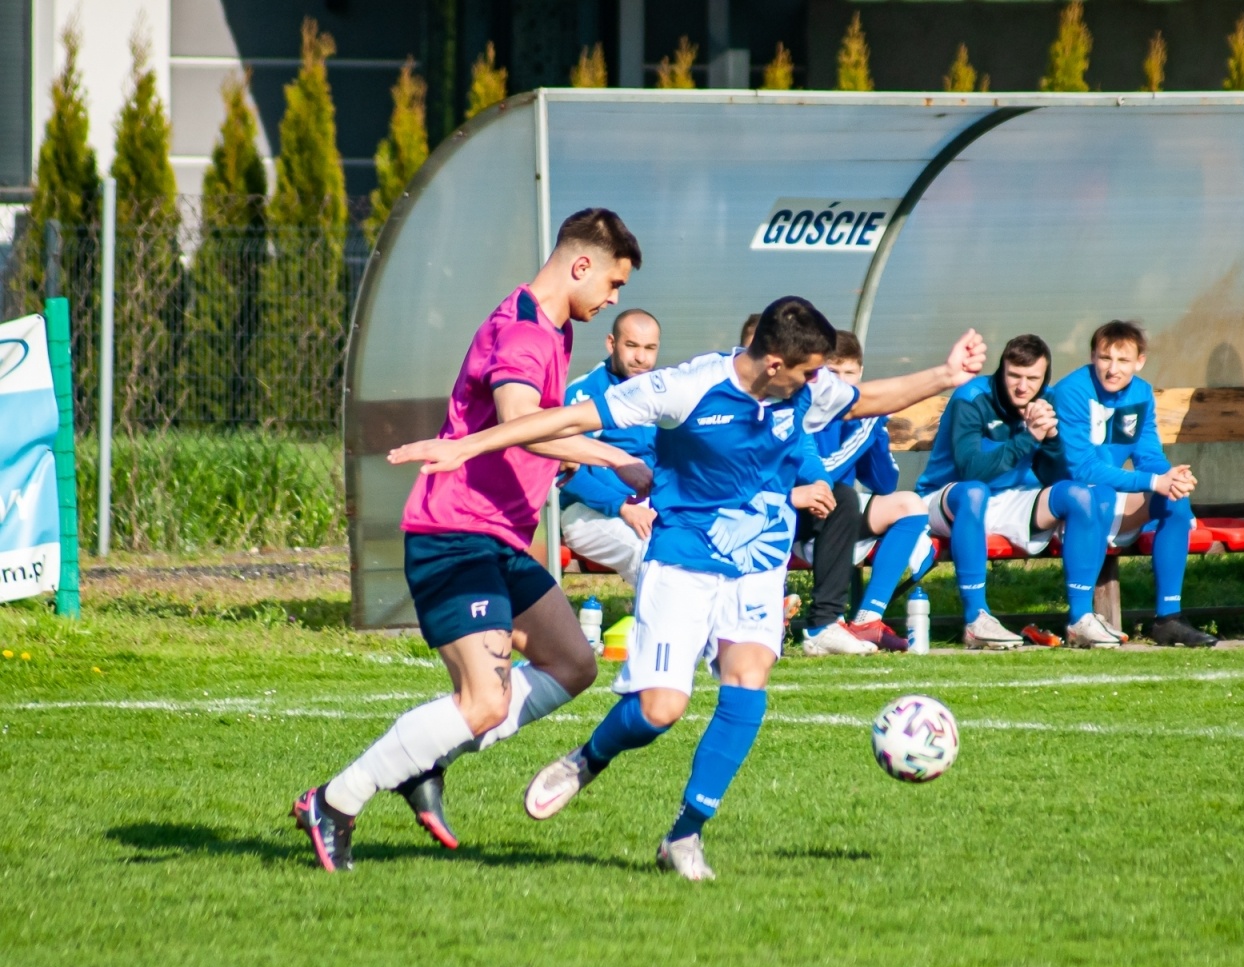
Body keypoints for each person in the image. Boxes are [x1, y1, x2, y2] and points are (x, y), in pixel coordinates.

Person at [389, 297, 988, 880]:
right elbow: (572, 418)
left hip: (758, 560)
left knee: (747, 683)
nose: (819, 384)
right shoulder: (687, 386)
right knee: (660, 711)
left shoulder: (806, 388)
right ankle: (587, 759)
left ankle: (685, 833)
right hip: (684, 560)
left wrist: (946, 373)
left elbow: (869, 399)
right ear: (775, 364)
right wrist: (465, 444)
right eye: (809, 372)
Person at [291, 208, 648, 872]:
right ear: (580, 266)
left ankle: (424, 759)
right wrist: (608, 457)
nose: (615, 300)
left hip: (499, 539)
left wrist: (557, 459)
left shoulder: (554, 327)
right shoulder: (523, 334)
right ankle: (336, 801)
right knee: (483, 701)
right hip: (455, 535)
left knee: (573, 664)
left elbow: (519, 427)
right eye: (613, 284)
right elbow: (518, 419)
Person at [1046, 321, 1217, 649]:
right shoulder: (1073, 390)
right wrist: (1154, 481)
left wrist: (1172, 478)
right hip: (1067, 503)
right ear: (1092, 357)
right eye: (1105, 358)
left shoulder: (1140, 393)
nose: (1113, 369)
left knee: (1174, 501)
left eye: (1123, 361)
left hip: (1110, 499)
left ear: (1140, 361)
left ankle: (1169, 619)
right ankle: (1079, 619)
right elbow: (1082, 469)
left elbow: (1148, 455)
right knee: (1101, 495)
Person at [791, 330, 937, 654]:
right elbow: (820, 471)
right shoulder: (803, 409)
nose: (842, 382)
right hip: (799, 511)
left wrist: (875, 434)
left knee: (909, 504)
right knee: (843, 493)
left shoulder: (862, 413)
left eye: (850, 373)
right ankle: (821, 622)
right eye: (833, 372)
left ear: (861, 373)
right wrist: (864, 433)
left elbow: (884, 484)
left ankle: (868, 618)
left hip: (838, 511)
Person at [915, 334, 1064, 649]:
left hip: (1010, 497)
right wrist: (1029, 438)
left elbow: (1057, 476)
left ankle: (1081, 617)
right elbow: (972, 471)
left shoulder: (1047, 400)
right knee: (974, 493)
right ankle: (976, 619)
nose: (1023, 386)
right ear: (1002, 370)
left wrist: (1050, 438)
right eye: (1014, 376)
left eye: (1032, 379)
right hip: (946, 498)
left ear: (1045, 377)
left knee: (1078, 496)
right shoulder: (971, 397)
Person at [560, 308, 661, 586]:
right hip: (587, 512)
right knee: (652, 556)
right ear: (611, 343)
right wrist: (622, 506)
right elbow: (565, 474)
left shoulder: (660, 391)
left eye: (650, 348)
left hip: (651, 507)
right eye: (632, 346)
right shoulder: (586, 392)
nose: (641, 357)